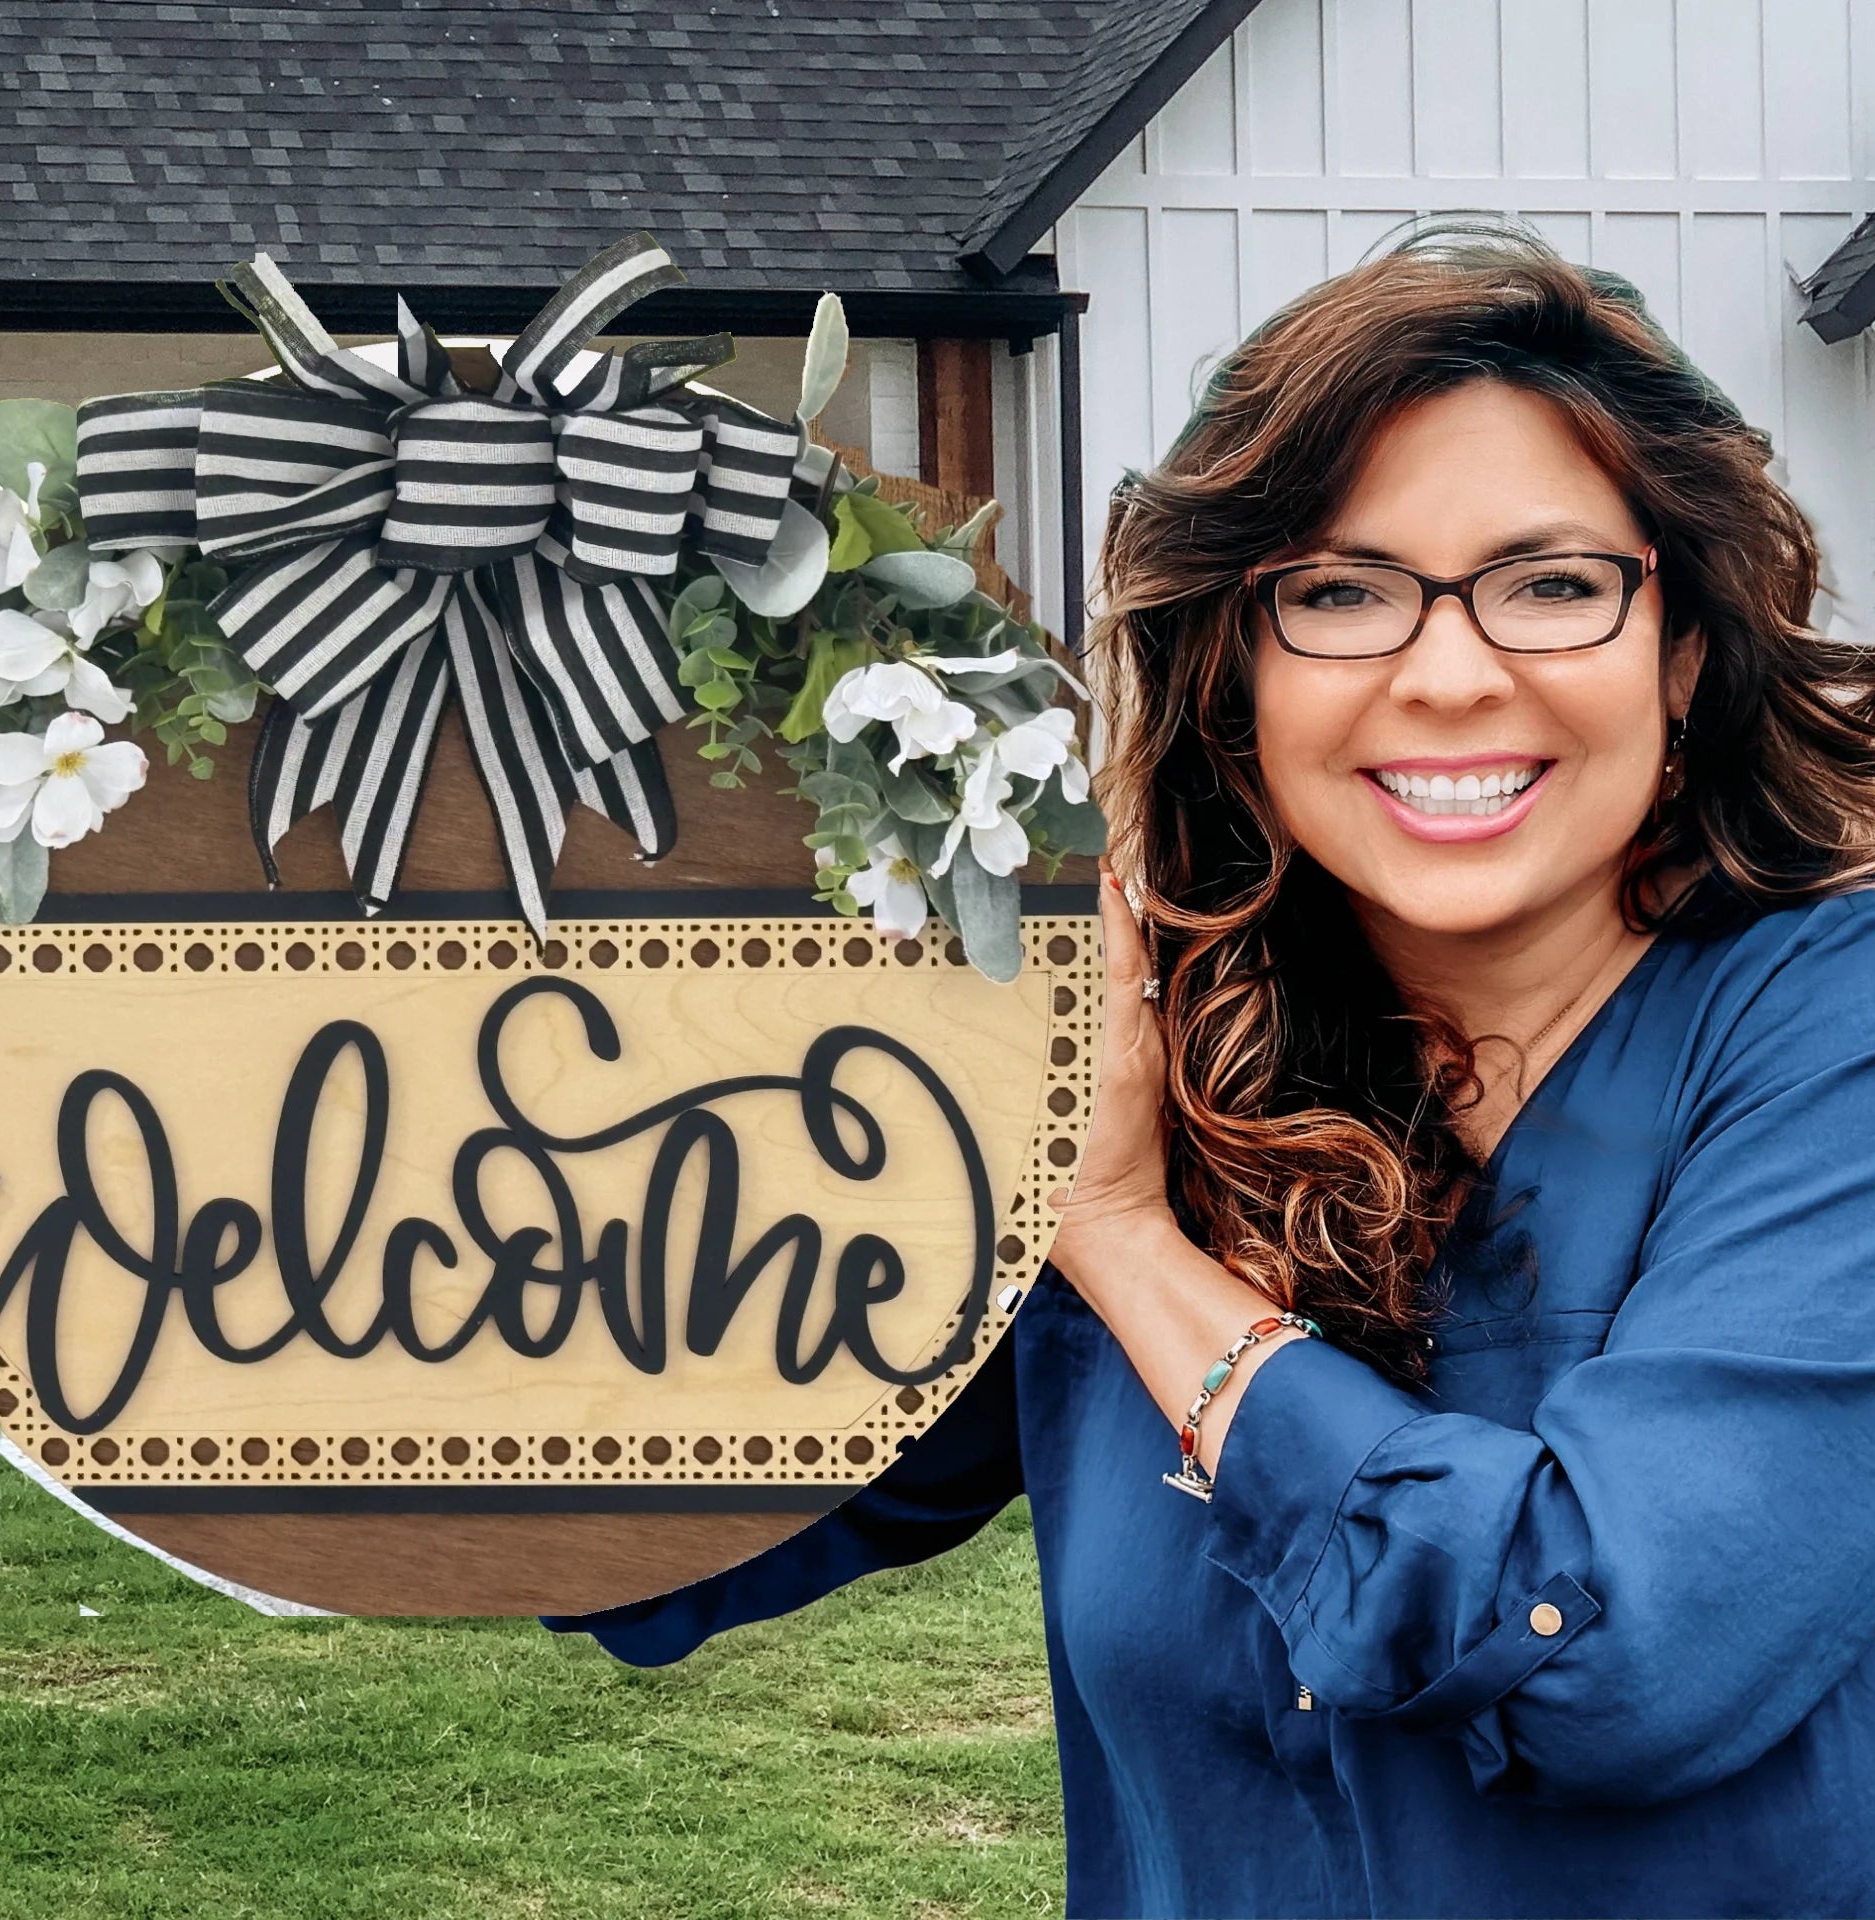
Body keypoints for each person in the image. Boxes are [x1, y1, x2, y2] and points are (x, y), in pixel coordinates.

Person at [546, 229, 1875, 1917]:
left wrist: (1116, 1235)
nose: (1452, 672)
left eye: (1552, 584)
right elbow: (661, 1518)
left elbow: (1606, 1654)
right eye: (1338, 591)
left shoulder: (1829, 1036)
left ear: (1679, 652)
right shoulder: (1153, 1051)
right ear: (1236, 673)